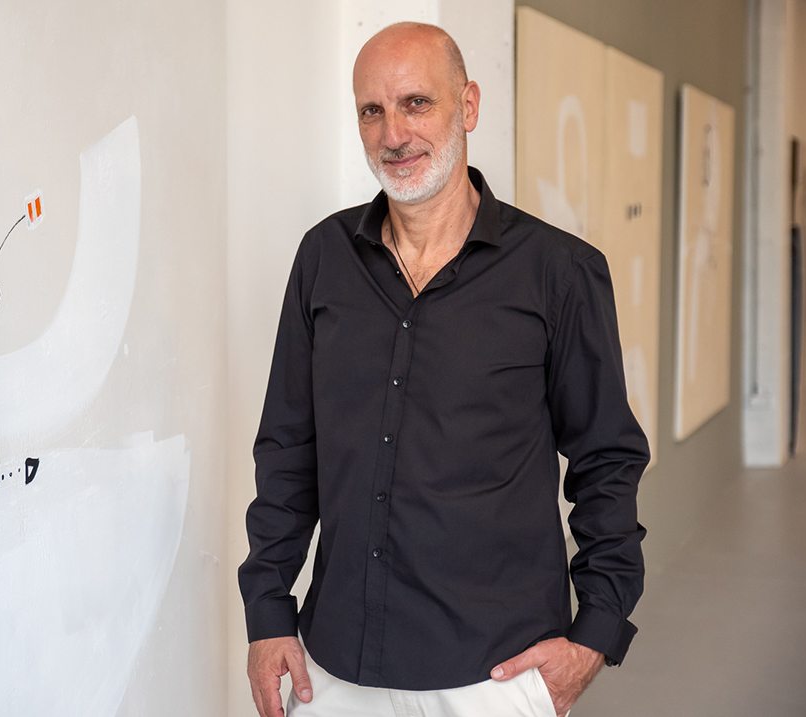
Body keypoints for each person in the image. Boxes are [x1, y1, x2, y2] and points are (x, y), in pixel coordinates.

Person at [238, 21, 648, 717]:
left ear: (469, 105)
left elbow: (606, 459)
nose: (393, 133)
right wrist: (268, 611)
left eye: (417, 103)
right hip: (334, 669)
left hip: (495, 673)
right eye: (372, 110)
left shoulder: (559, 272)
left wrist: (595, 634)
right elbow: (287, 448)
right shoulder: (323, 258)